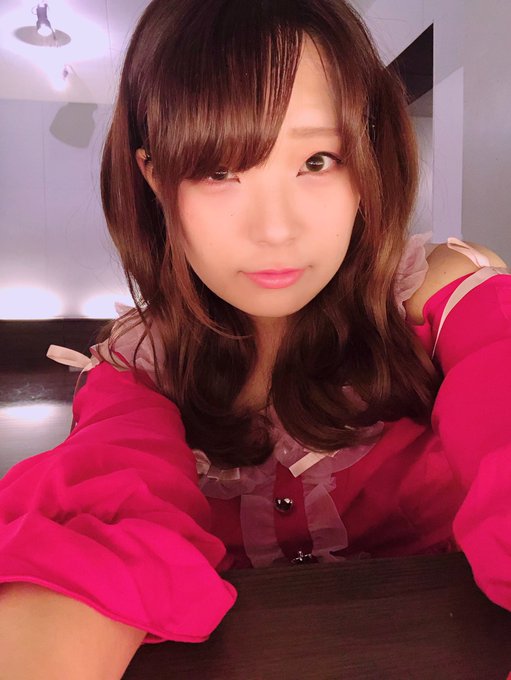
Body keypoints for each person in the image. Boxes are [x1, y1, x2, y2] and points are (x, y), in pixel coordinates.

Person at [1, 0, 510, 676]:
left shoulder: (439, 302)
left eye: (318, 160)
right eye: (218, 171)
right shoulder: (142, 366)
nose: (274, 229)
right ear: (155, 178)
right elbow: (99, 536)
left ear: (367, 160)